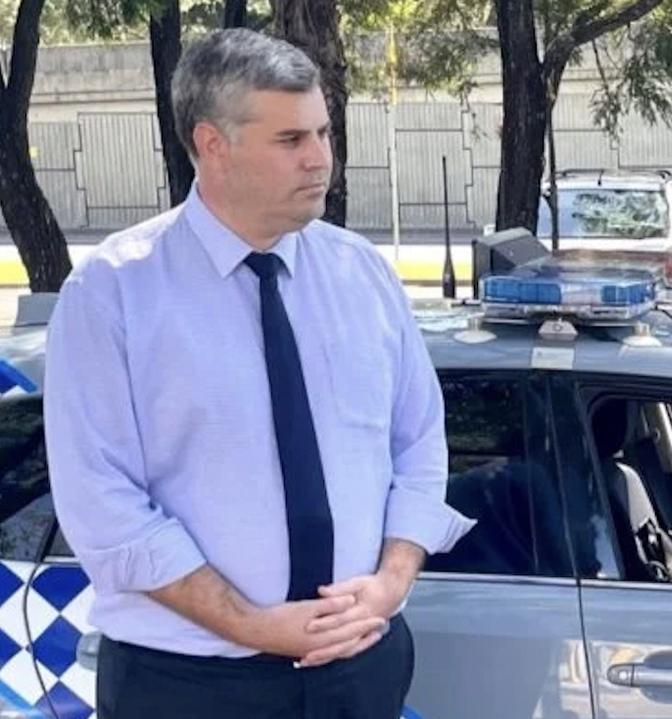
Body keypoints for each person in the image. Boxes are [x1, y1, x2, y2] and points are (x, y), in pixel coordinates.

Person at [43, 28, 473, 718]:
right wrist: (250, 622)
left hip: (358, 668)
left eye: (324, 133)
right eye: (290, 140)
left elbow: (418, 441)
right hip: (191, 682)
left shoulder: (360, 272)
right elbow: (101, 501)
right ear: (213, 144)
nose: (320, 159)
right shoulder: (112, 291)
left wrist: (390, 582)